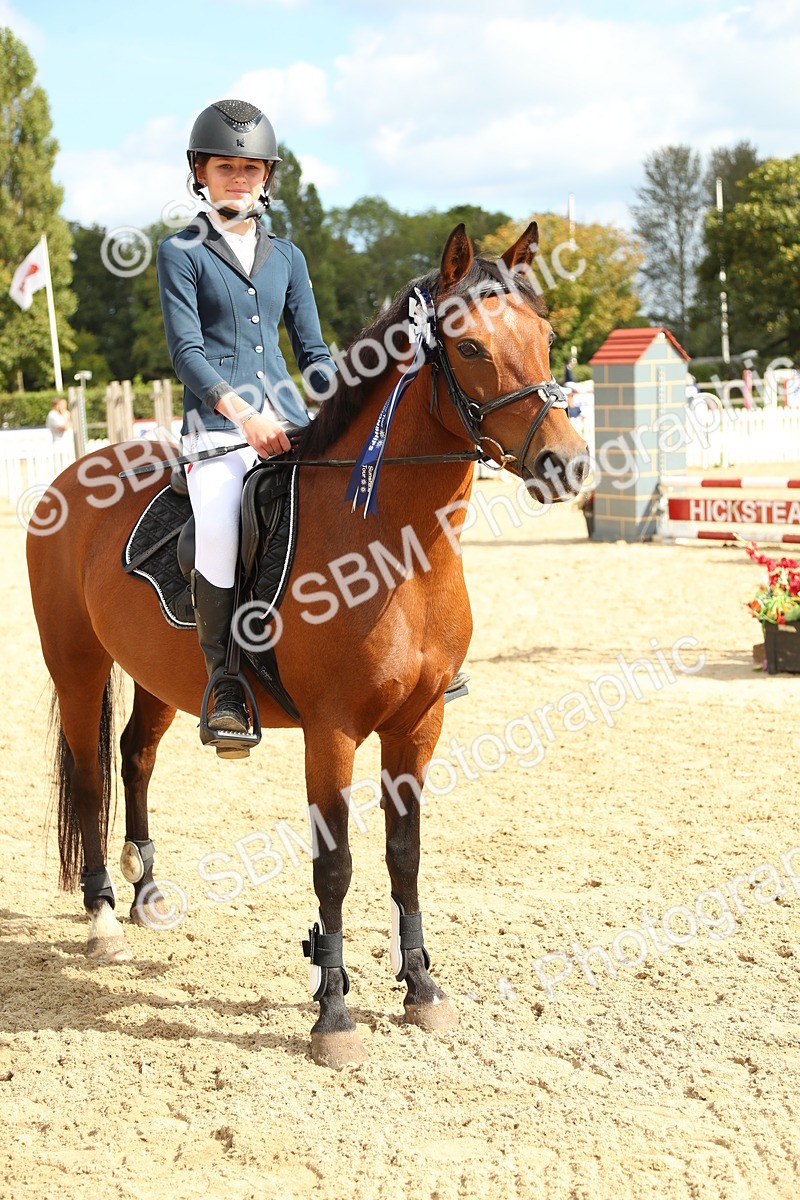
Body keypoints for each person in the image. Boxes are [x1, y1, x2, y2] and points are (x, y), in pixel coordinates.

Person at [157, 99, 335, 753]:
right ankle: (225, 684)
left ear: (267, 176)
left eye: (250, 168)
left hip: (290, 421)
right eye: (225, 167)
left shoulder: (288, 255)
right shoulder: (181, 251)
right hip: (219, 429)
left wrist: (343, 405)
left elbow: (312, 352)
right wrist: (245, 415)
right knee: (219, 524)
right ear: (200, 174)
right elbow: (187, 352)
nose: (238, 178)